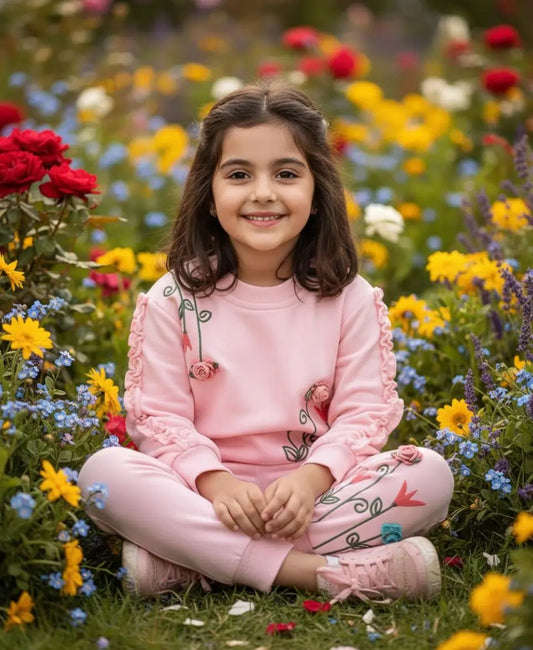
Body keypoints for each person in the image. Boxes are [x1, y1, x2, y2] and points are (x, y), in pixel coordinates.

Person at [78, 81, 454, 604]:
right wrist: (218, 485)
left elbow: (363, 414)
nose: (263, 192)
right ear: (208, 196)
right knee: (105, 474)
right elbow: (159, 419)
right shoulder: (174, 299)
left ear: (318, 193)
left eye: (285, 173)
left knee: (430, 475)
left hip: (315, 496)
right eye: (238, 174)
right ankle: (319, 574)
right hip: (205, 494)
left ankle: (188, 563)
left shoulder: (350, 299)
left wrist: (309, 482)